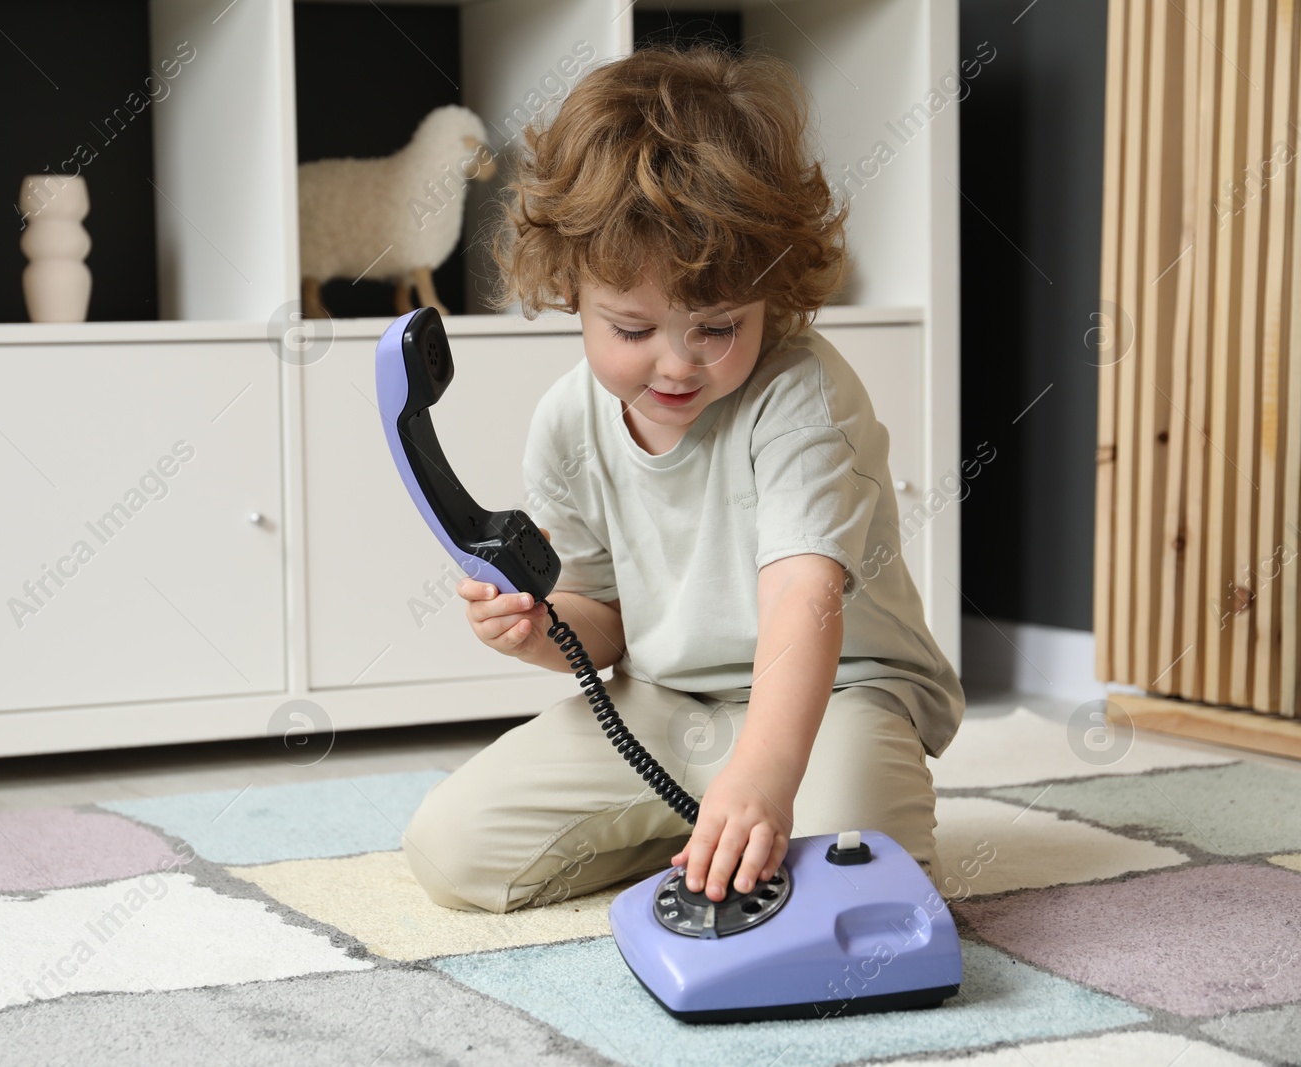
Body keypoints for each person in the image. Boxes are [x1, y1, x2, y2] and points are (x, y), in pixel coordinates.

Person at [400, 44, 965, 915]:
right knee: (450, 851)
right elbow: (603, 625)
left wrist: (767, 774)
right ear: (569, 290)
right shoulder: (565, 421)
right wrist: (535, 630)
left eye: (716, 325)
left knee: (862, 897)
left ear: (771, 293)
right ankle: (706, 819)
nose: (677, 362)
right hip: (666, 701)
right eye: (632, 328)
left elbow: (802, 599)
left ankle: (741, 810)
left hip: (841, 693)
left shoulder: (804, 394)